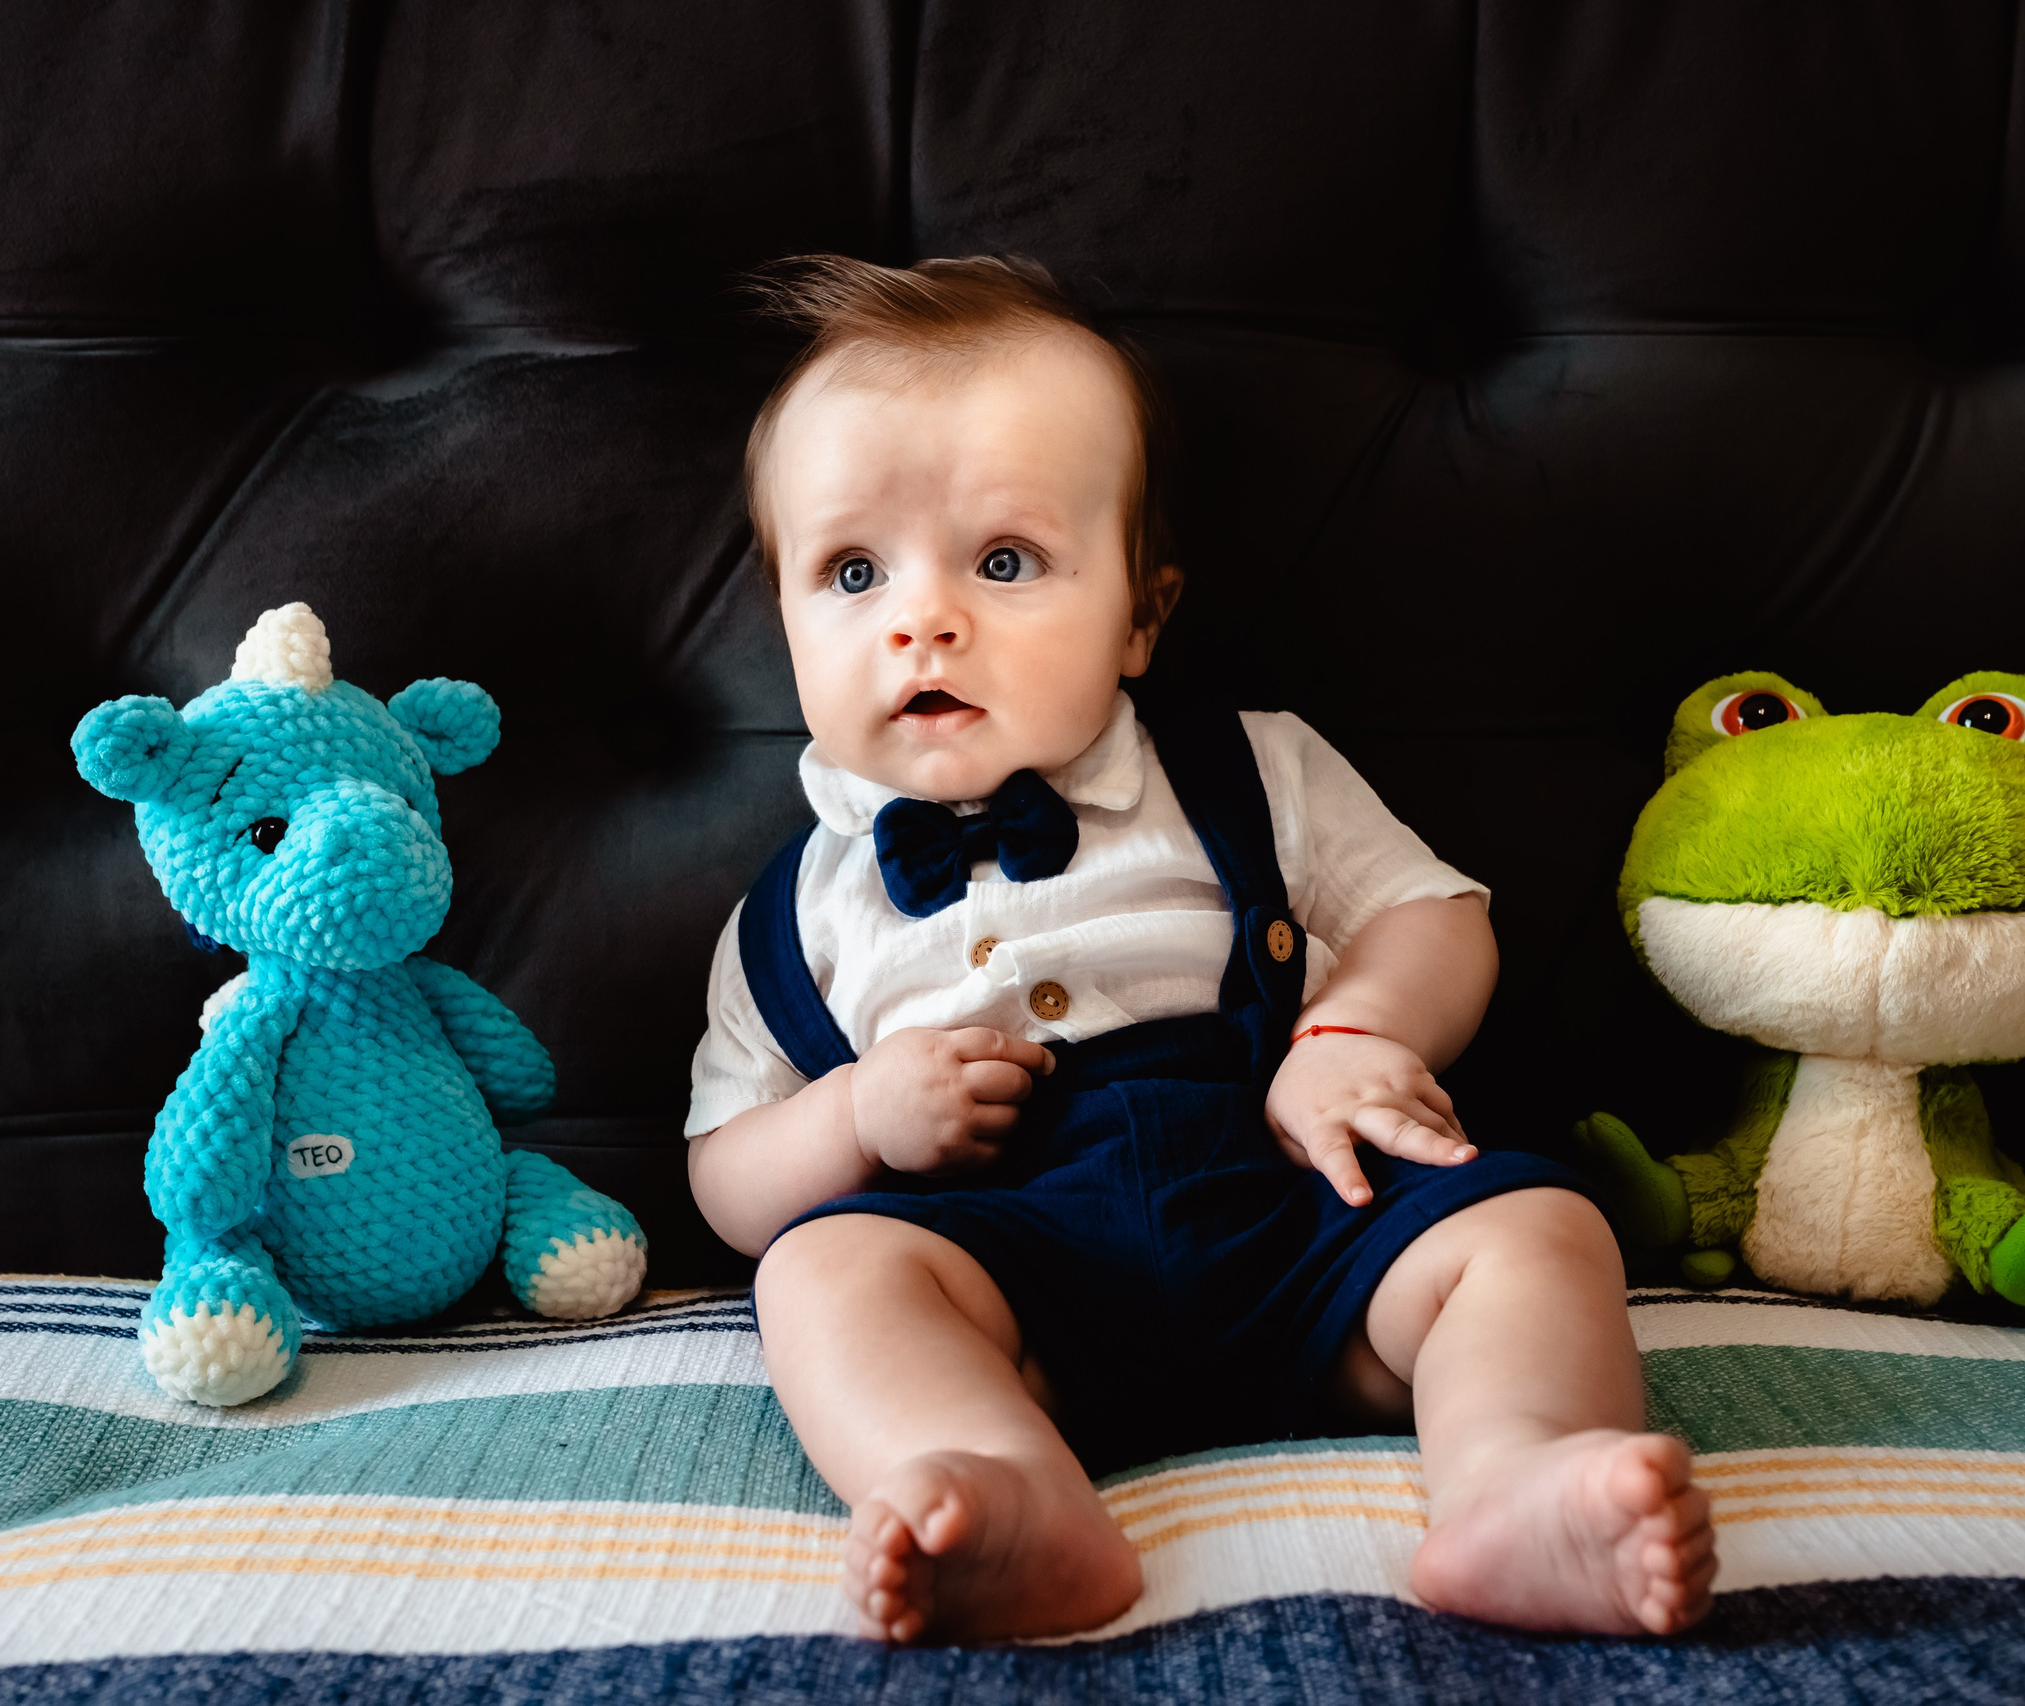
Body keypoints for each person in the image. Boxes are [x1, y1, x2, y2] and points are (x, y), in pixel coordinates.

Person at [685, 254, 1715, 1645]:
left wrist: (1348, 1041)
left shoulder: (1251, 772)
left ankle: (1517, 1477)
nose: (921, 617)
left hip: (1298, 1221)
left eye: (1004, 560)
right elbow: (727, 1177)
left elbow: (1437, 916)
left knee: (1535, 1228)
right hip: (1014, 1283)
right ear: (788, 624)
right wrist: (858, 1115)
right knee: (818, 1278)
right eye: (852, 571)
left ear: (1141, 614)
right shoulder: (790, 919)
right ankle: (1007, 1490)